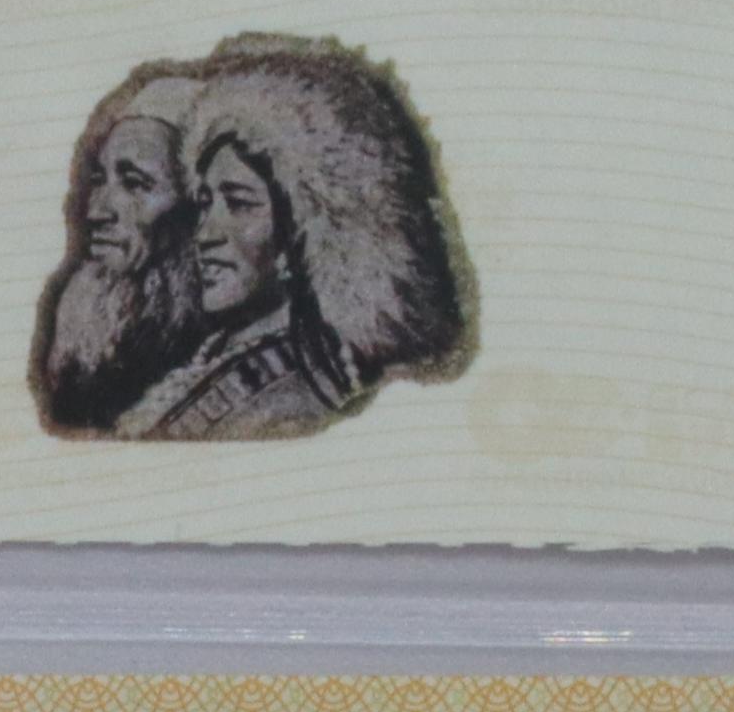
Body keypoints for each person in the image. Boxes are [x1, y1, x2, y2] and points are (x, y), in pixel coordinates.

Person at [107, 40, 472, 443]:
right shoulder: (228, 357)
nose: (205, 234)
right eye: (206, 204)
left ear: (300, 229)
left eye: (240, 203)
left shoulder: (289, 399)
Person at [28, 67, 206, 436]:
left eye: (135, 183)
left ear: (195, 207)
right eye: (99, 179)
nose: (96, 212)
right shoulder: (82, 323)